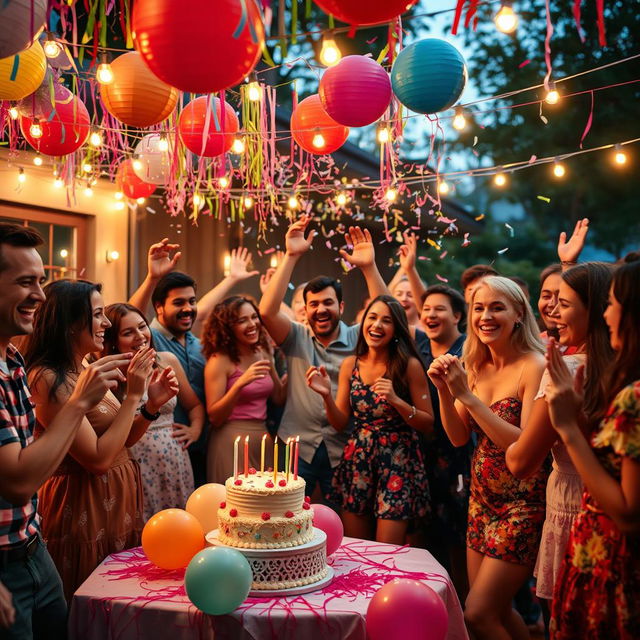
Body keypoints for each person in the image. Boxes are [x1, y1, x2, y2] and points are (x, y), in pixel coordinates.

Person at [0, 224, 131, 639]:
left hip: (33, 545)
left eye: (40, 282)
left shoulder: (14, 364)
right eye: (25, 282)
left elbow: (37, 459)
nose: (39, 294)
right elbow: (19, 479)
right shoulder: (46, 375)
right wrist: (79, 404)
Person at [24, 280, 175, 601]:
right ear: (69, 323)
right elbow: (97, 460)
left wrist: (150, 406)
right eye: (97, 314)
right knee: (90, 600)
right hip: (83, 504)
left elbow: (122, 441)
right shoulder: (48, 377)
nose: (106, 323)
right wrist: (134, 395)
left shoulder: (85, 365)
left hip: (117, 498)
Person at [428, 276, 548, 640]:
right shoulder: (476, 365)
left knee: (478, 614)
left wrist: (467, 395)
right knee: (496, 609)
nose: (486, 316)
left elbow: (524, 445)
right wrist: (446, 393)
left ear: (518, 314)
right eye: (479, 308)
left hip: (523, 504)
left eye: (497, 307)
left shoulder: (534, 365)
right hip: (482, 501)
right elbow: (458, 436)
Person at [506, 263, 614, 632]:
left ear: (598, 309)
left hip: (574, 506)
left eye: (563, 303)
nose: (552, 310)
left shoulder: (564, 370)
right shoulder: (620, 366)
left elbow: (520, 461)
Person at [259, 216, 388, 498]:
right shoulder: (296, 336)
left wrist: (368, 268)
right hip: (294, 444)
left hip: (343, 445)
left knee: (340, 522)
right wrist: (291, 256)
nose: (320, 309)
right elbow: (267, 312)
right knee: (285, 518)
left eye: (328, 302)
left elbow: (387, 313)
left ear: (340, 306)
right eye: (313, 304)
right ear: (305, 309)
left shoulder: (358, 337)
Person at [546, 257, 640, 639]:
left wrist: (568, 429)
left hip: (614, 562)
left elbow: (629, 513)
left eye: (611, 303)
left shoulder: (635, 397)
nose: (607, 313)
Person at [129, 240, 259, 486]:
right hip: (159, 446)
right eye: (179, 303)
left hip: (201, 444)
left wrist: (197, 429)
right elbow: (130, 314)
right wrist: (151, 278)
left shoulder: (199, 344)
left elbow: (204, 308)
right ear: (158, 308)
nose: (188, 309)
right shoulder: (150, 339)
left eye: (192, 301)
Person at [306, 295, 433, 544]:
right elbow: (340, 422)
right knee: (357, 548)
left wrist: (396, 400)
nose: (376, 325)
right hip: (359, 459)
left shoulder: (410, 365)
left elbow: (428, 422)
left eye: (386, 320)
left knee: (386, 550)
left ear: (396, 328)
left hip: (398, 461)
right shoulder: (350, 365)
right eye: (372, 318)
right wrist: (325, 396)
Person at [102, 303, 205, 521]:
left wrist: (194, 431)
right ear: (112, 341)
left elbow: (194, 405)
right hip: (134, 460)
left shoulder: (166, 360)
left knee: (180, 525)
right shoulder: (109, 374)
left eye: (142, 327)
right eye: (128, 332)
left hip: (173, 458)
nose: (140, 336)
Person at [414, 284, 471, 599]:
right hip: (423, 454)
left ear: (457, 315)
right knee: (425, 538)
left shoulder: (468, 350)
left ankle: (463, 613)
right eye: (426, 310)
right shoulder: (418, 348)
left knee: (458, 541)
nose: (430, 315)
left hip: (460, 455)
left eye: (439, 309)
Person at [202, 296, 286, 483]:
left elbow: (278, 397)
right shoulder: (219, 360)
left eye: (254, 317)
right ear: (227, 327)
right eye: (242, 320)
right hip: (231, 443)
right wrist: (240, 384)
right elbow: (215, 417)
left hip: (263, 440)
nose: (252, 324)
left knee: (266, 508)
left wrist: (294, 375)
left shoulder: (262, 351)